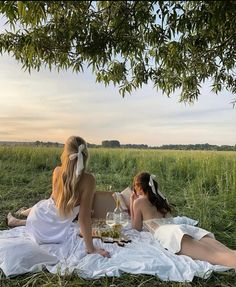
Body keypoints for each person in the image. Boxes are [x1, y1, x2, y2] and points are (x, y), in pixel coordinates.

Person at [7, 136, 110, 258]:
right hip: (54, 233)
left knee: (43, 206)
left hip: (39, 221)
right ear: (85, 154)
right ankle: (21, 217)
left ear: (65, 154)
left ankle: (20, 218)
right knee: (47, 210)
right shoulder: (89, 180)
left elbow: (52, 200)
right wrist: (91, 249)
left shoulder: (57, 171)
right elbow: (84, 219)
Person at [130, 171, 236, 267]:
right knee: (221, 250)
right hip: (177, 227)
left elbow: (136, 227)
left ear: (139, 186)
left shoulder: (138, 202)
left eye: (135, 186)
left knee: (216, 257)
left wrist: (131, 202)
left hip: (167, 233)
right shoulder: (161, 198)